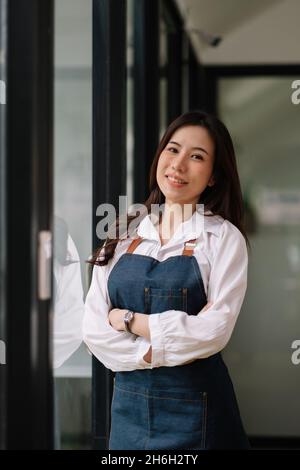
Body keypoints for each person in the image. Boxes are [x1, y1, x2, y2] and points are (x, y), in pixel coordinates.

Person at [83, 110, 250, 450]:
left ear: (214, 176)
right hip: (129, 414)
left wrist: (131, 321)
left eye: (197, 156)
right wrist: (153, 353)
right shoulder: (123, 230)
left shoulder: (222, 238)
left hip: (200, 416)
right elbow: (94, 329)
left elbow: (214, 330)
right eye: (172, 150)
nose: (178, 164)